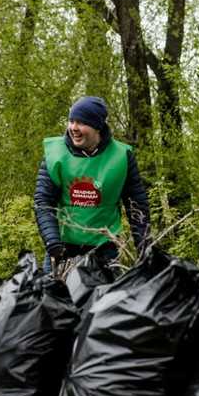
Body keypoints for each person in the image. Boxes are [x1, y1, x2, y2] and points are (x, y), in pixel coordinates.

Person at [34, 95, 150, 272]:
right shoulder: (55, 154)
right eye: (71, 121)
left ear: (97, 127)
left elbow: (137, 204)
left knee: (106, 299)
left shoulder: (121, 156)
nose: (74, 128)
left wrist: (144, 249)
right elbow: (43, 202)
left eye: (81, 122)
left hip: (105, 249)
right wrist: (52, 242)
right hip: (63, 248)